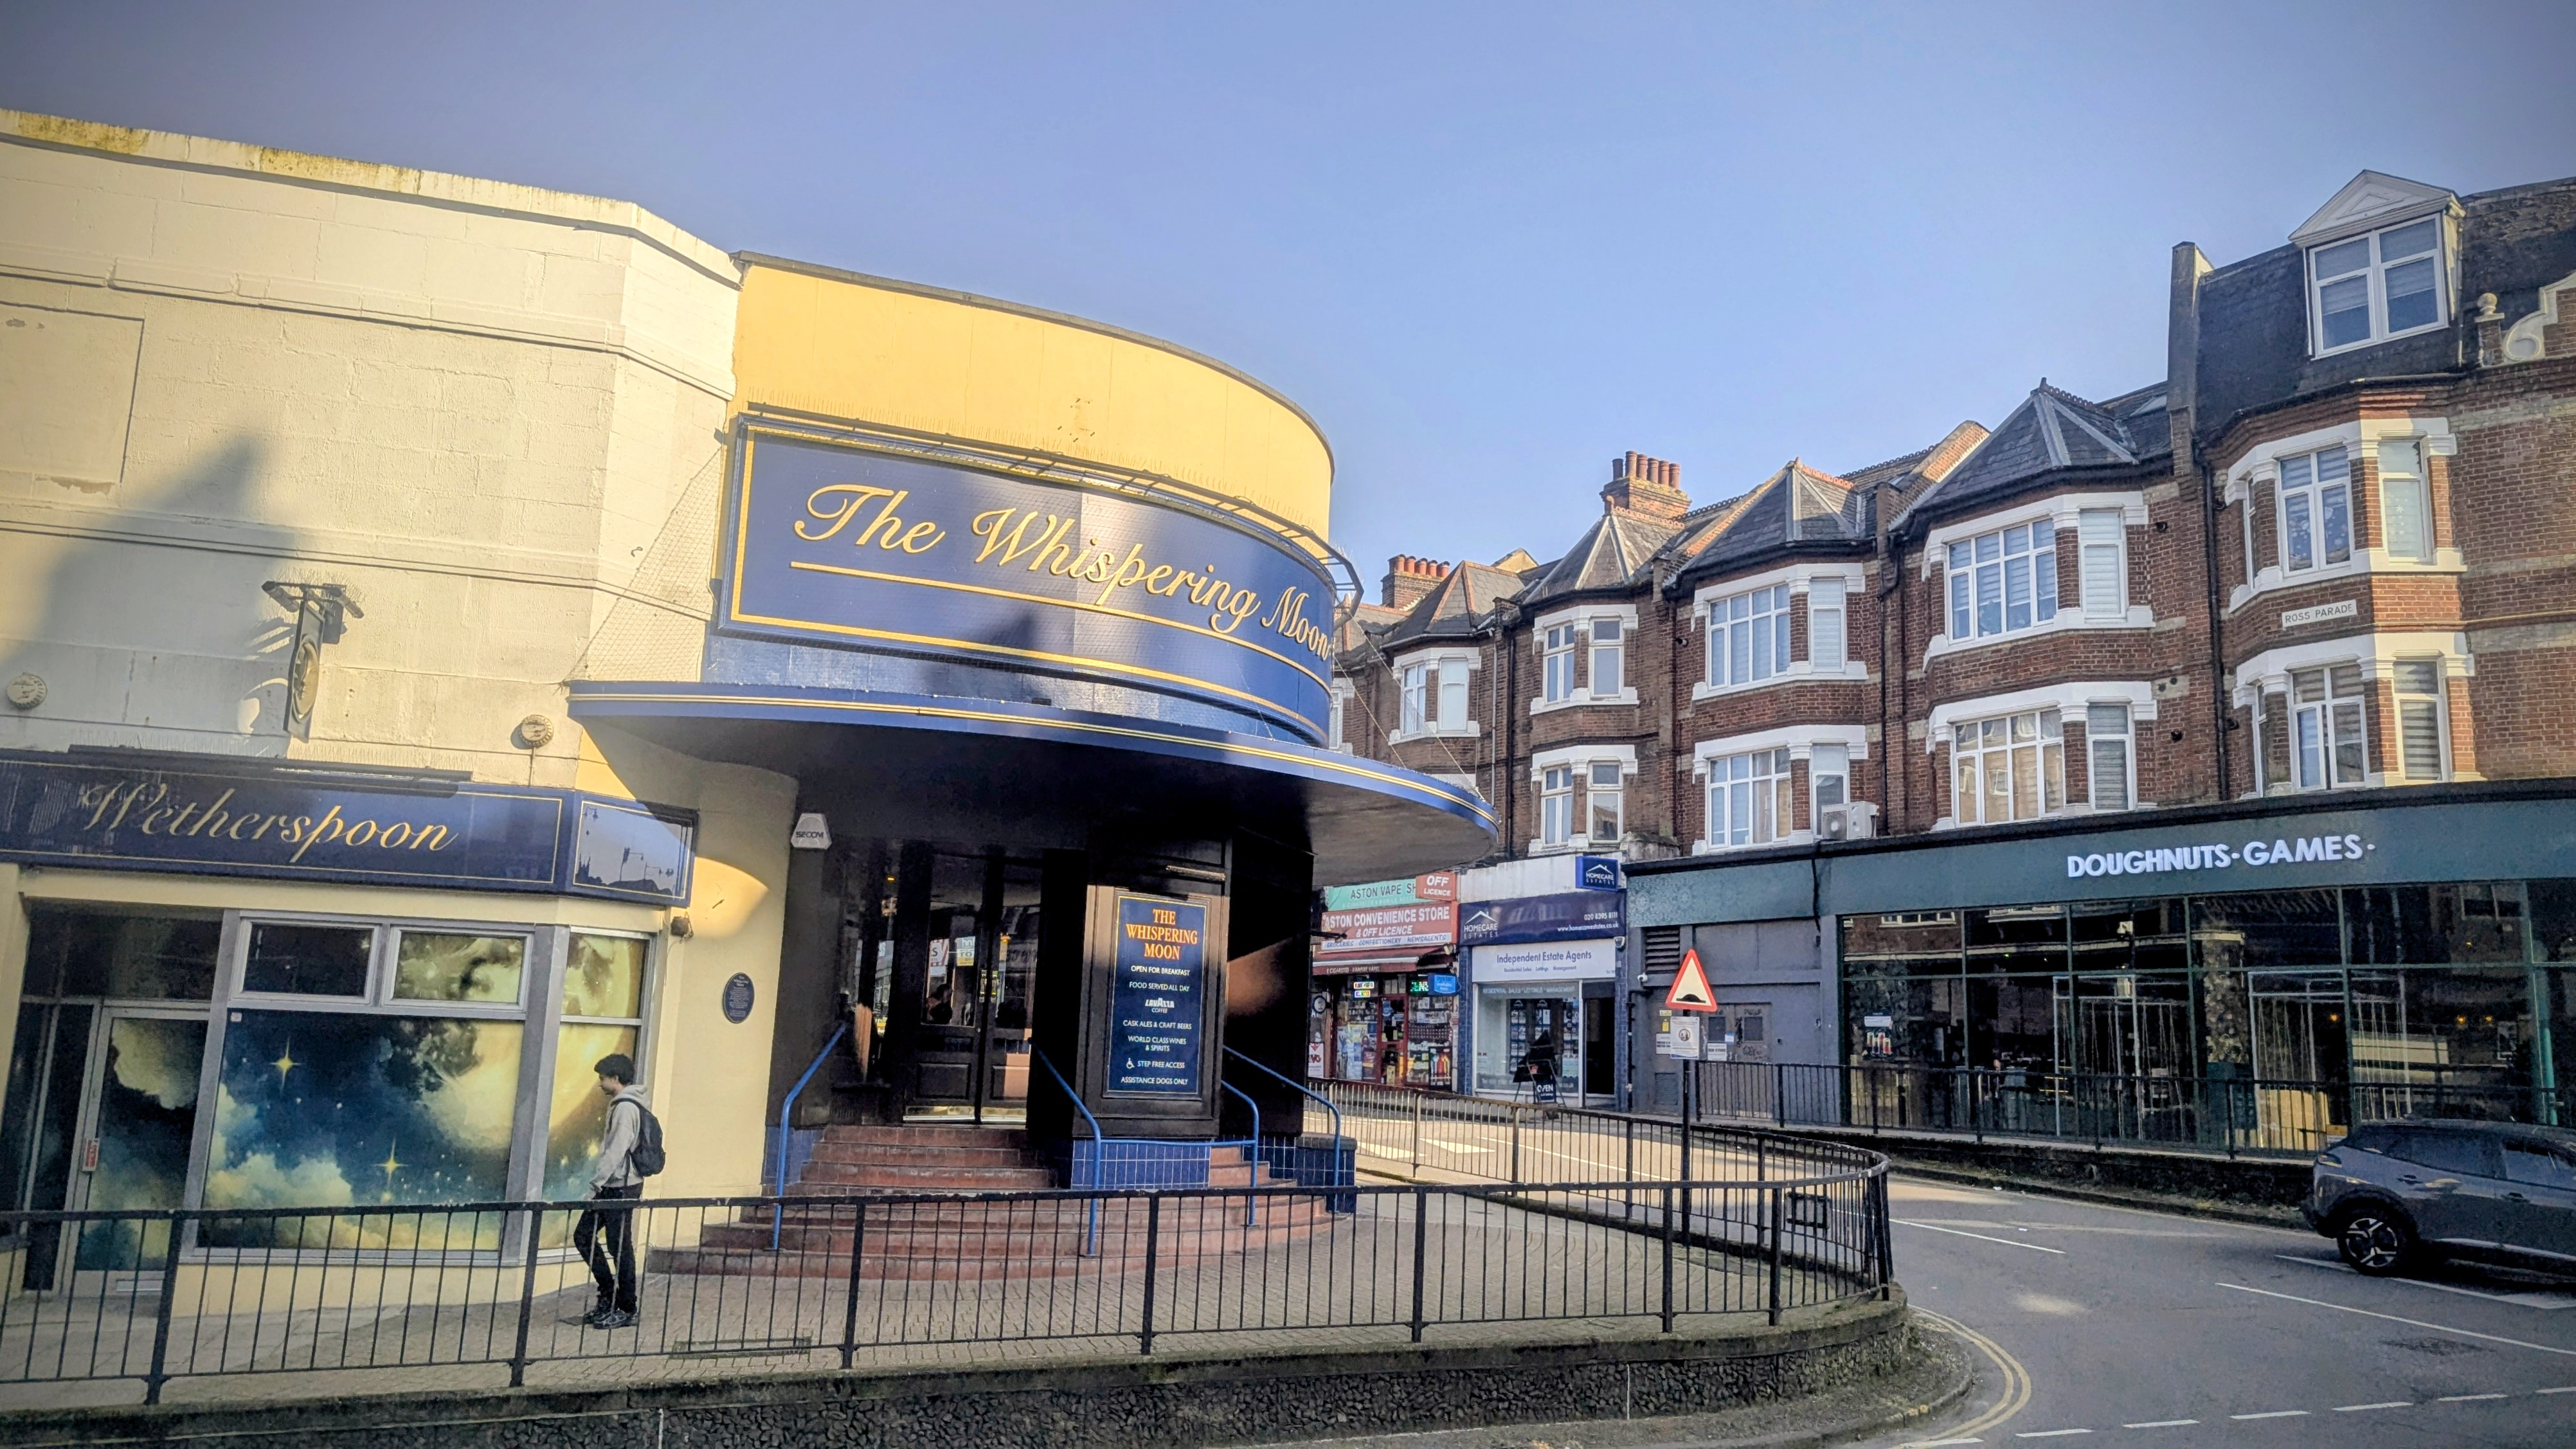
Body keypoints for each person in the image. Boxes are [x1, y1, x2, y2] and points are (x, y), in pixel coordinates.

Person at [575, 1053, 648, 1329]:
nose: (600, 1084)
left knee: (619, 1247)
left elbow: (616, 1151)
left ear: (615, 1079)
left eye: (603, 1078)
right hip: (614, 1185)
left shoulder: (626, 1108)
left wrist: (595, 1185)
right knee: (584, 1236)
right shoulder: (622, 1105)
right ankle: (609, 1296)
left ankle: (627, 1308)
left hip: (621, 1187)